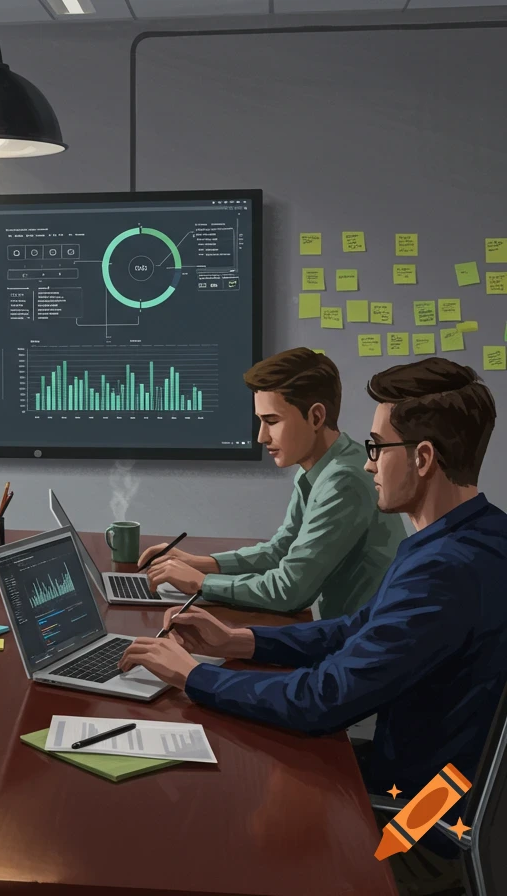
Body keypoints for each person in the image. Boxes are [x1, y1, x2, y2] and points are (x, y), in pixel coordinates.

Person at [119, 357, 506, 896]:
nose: (368, 464)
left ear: (422, 458)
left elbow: (323, 701)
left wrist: (193, 676)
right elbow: (354, 629)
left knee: (209, 832)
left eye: (377, 447)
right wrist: (241, 641)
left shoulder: (443, 571)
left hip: (417, 828)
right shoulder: (476, 535)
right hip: (430, 788)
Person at [140, 348, 406, 618]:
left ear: (316, 417)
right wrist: (198, 563)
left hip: (359, 635)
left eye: (272, 421)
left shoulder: (343, 480)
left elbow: (289, 590)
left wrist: (199, 582)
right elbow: (280, 550)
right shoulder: (320, 468)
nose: (262, 437)